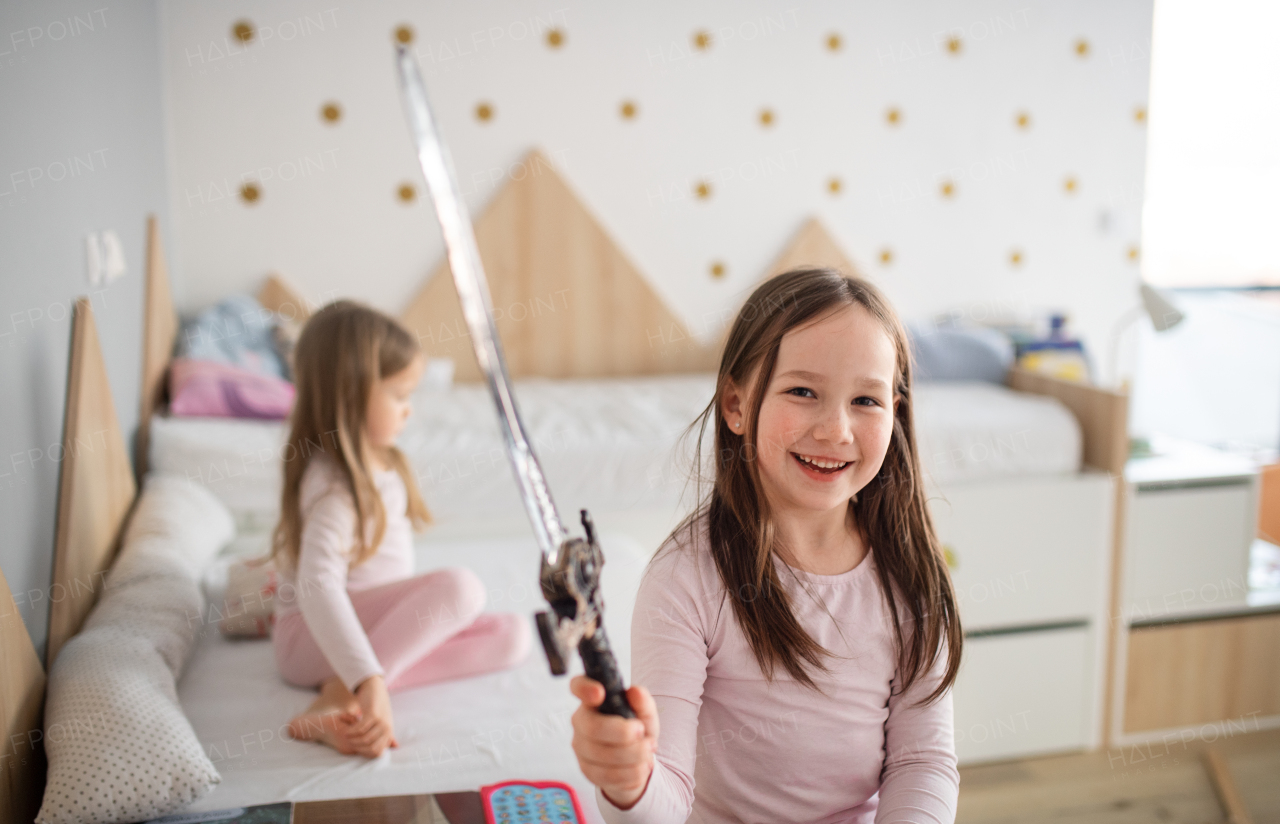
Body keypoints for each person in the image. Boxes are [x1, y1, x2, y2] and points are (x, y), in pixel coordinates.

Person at [569, 268, 963, 822]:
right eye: (802, 391)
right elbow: (667, 797)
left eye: (866, 401)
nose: (835, 429)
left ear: (896, 411)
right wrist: (629, 783)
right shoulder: (685, 578)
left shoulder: (911, 573)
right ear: (735, 405)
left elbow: (923, 764)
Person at [270, 300, 532, 758]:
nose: (409, 411)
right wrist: (371, 683)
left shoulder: (375, 462)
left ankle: (345, 684)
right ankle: (345, 693)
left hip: (352, 634)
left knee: (511, 635)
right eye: (398, 395)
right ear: (348, 396)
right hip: (308, 637)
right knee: (461, 588)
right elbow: (317, 585)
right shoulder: (337, 488)